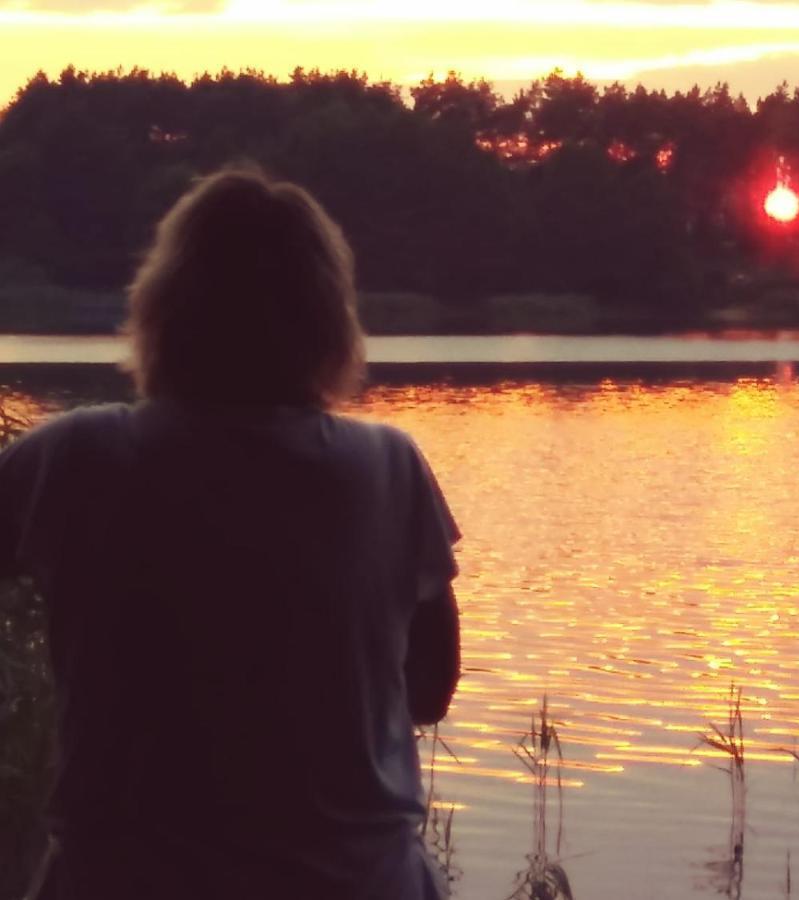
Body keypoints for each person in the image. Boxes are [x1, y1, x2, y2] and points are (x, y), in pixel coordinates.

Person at [0, 167, 461, 900]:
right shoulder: (386, 467)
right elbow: (431, 691)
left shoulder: (76, 457)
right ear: (326, 316)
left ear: (161, 306)